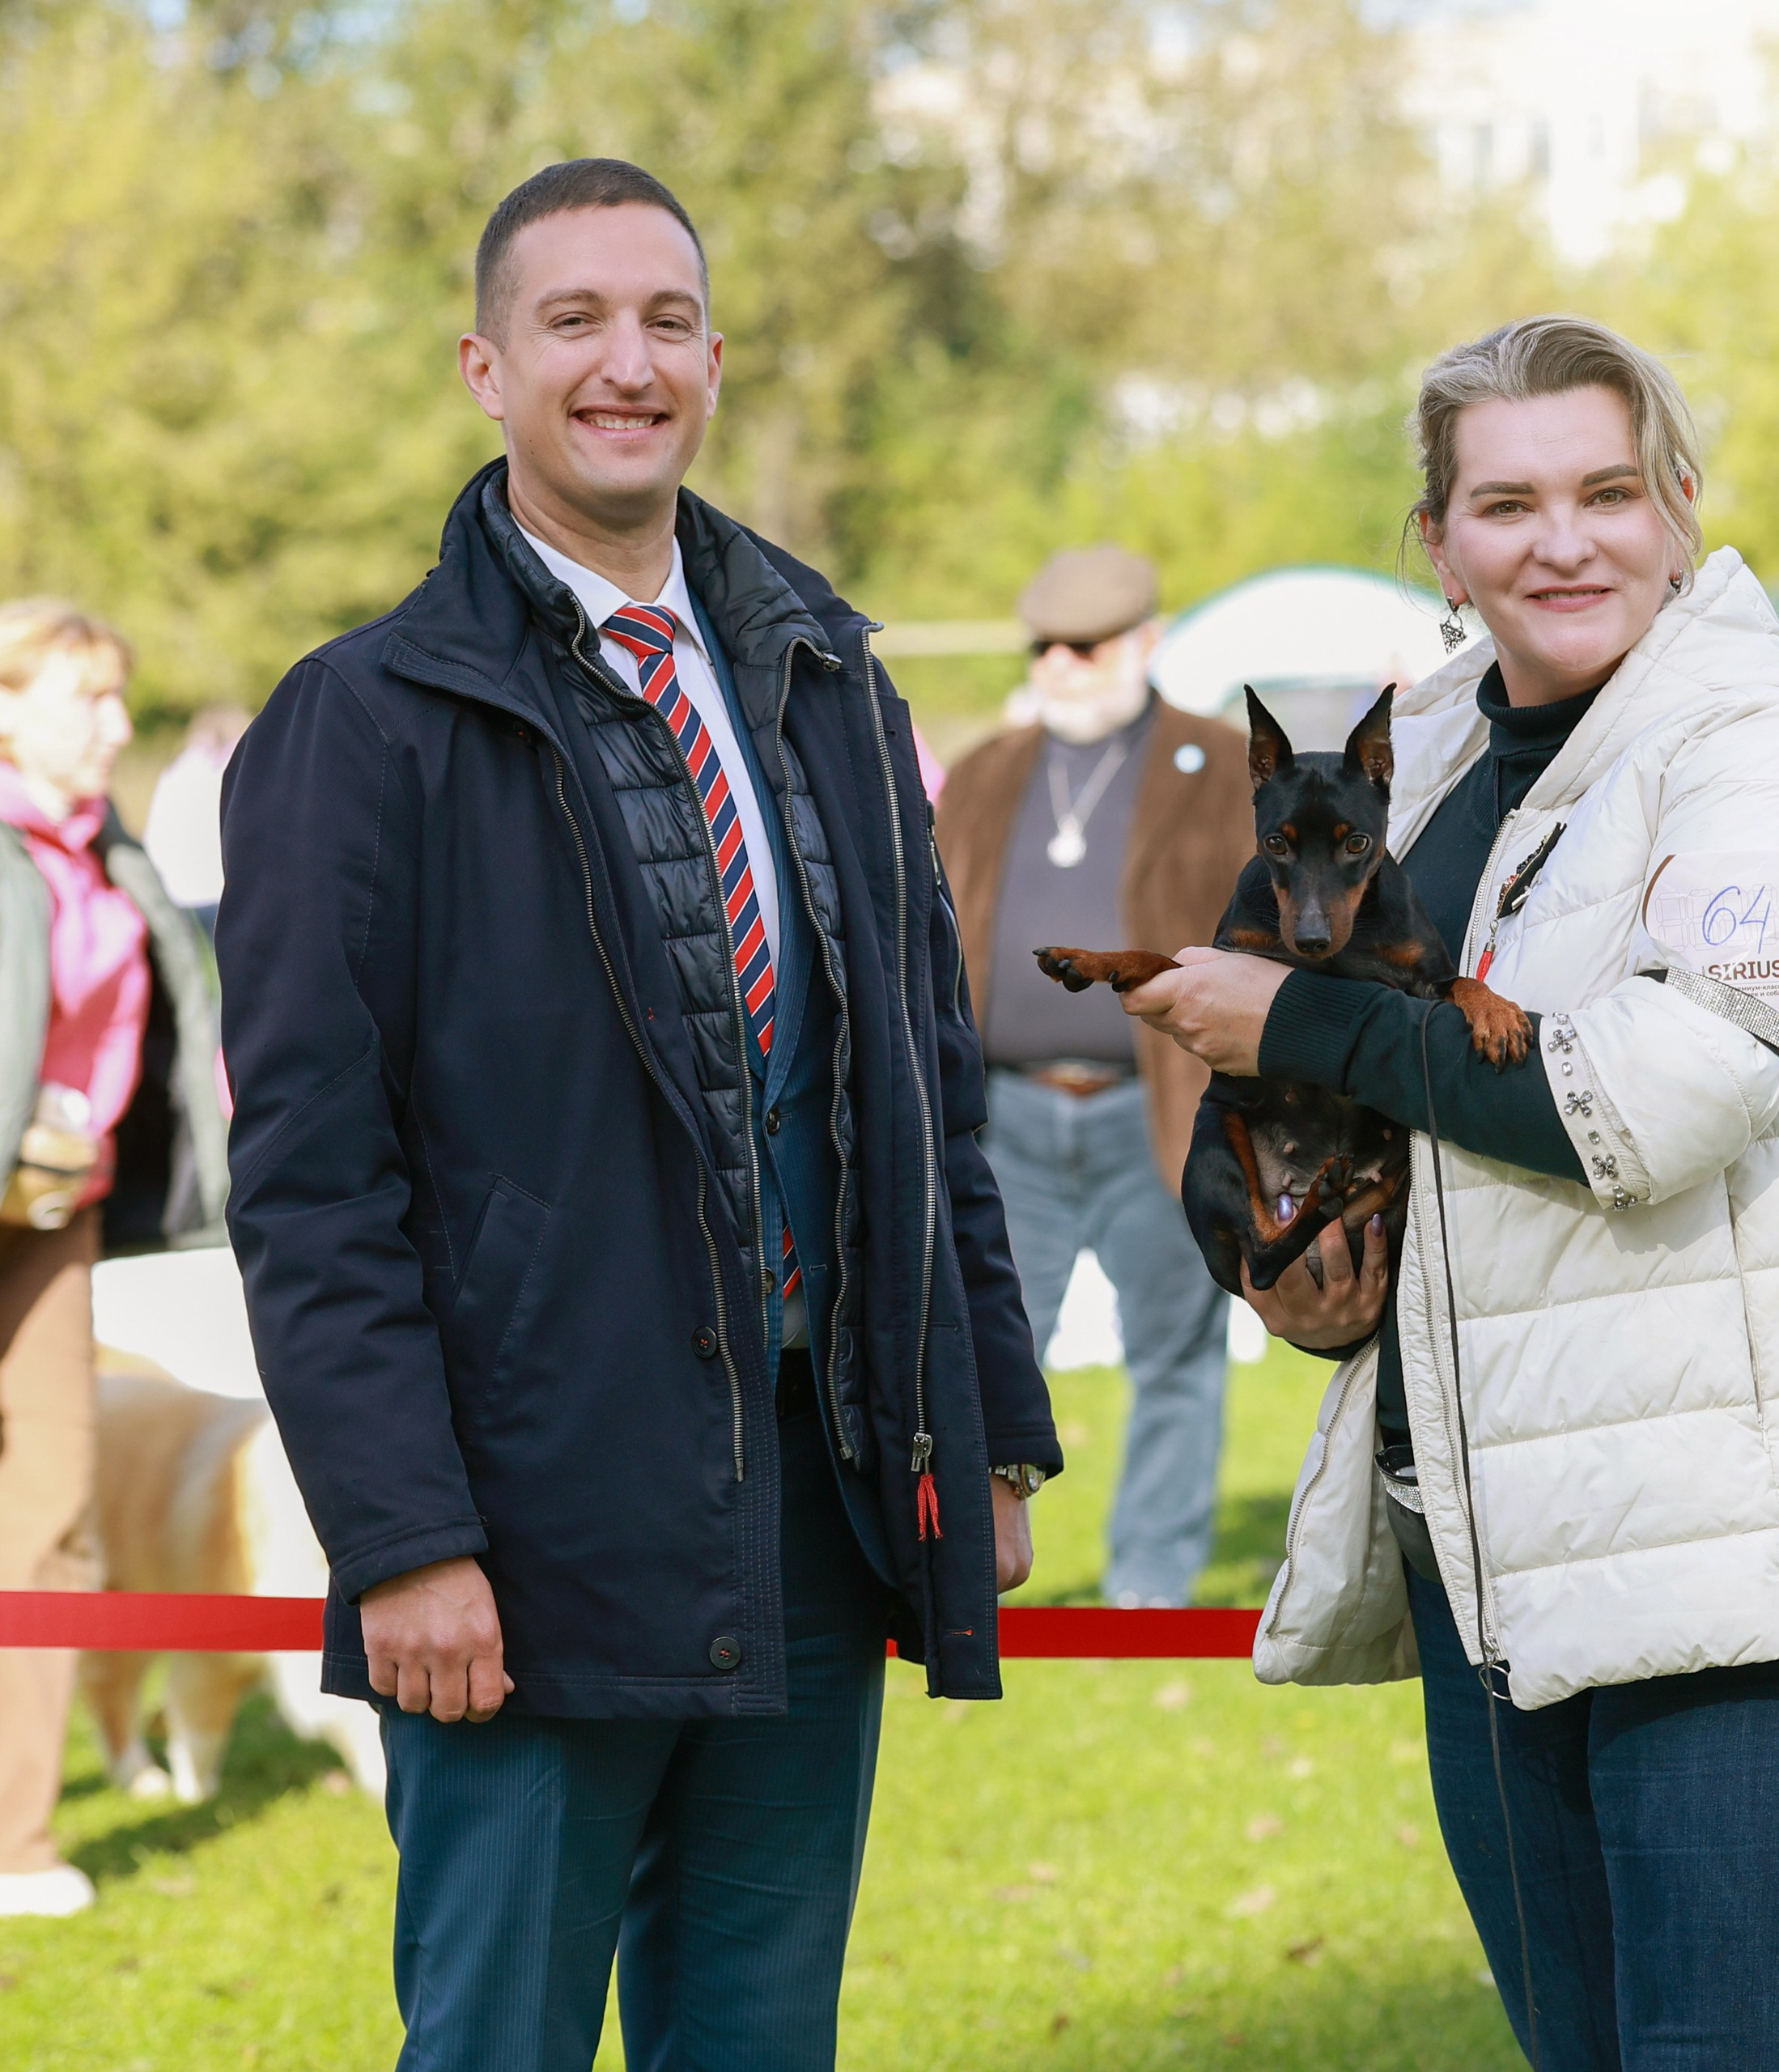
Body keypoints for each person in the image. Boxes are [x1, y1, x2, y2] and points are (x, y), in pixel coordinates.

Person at [215, 159, 1060, 2072]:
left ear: (713, 361)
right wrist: (403, 1537)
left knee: (757, 2037)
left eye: (666, 321)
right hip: (523, 1537)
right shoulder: (363, 721)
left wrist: (986, 1425)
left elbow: (924, 1088)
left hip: (814, 1509)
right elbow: (314, 1188)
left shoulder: (828, 679)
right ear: (485, 368)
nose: (627, 362)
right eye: (575, 321)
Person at [1120, 316, 1779, 2070]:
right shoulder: (1423, 764)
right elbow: (1393, 1110)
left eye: (1607, 491)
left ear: (1678, 504)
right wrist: (1306, 1257)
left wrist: (1297, 1019)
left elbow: (1653, 1098)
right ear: (1438, 543)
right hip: (1490, 1556)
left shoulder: (1757, 750)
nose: (1563, 541)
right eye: (1507, 503)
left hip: (1730, 1563)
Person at [934, 547, 1254, 1606]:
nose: (1063, 665)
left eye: (1088, 645)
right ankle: (967, 1571)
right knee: (977, 1356)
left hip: (1160, 1111)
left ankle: (1149, 1590)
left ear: (1147, 641)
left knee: (1175, 1357)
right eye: (1046, 647)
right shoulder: (987, 770)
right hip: (1005, 1119)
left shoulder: (1223, 763)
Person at [0, 600, 227, 1918]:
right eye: (84, 695)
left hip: (53, 1216)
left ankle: (15, 1839)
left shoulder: (109, 849)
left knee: (52, 1513)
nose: (115, 722)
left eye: (118, 695)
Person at [142, 703, 249, 942]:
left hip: (177, 894)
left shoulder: (177, 771)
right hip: (224, 892)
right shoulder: (244, 768)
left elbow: (154, 837)